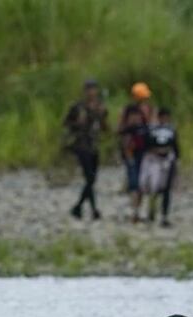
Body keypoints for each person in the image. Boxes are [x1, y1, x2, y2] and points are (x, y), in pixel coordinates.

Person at [63, 79, 108, 220]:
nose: (91, 92)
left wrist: (102, 116)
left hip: (94, 145)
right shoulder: (78, 107)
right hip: (81, 145)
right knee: (89, 178)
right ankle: (92, 209)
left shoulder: (100, 107)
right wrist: (78, 122)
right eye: (89, 89)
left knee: (92, 179)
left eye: (93, 89)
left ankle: (80, 207)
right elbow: (66, 123)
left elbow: (105, 127)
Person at [118, 82, 154, 223]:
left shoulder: (148, 110)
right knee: (134, 182)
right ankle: (135, 211)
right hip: (131, 150)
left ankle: (138, 210)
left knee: (143, 182)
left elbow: (151, 127)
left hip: (144, 150)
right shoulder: (127, 110)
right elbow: (120, 130)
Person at [141, 107, 180, 227]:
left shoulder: (172, 130)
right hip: (154, 161)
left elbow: (176, 147)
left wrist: (176, 161)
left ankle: (164, 215)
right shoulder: (152, 130)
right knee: (154, 187)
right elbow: (146, 145)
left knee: (167, 189)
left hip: (168, 160)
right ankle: (151, 210)